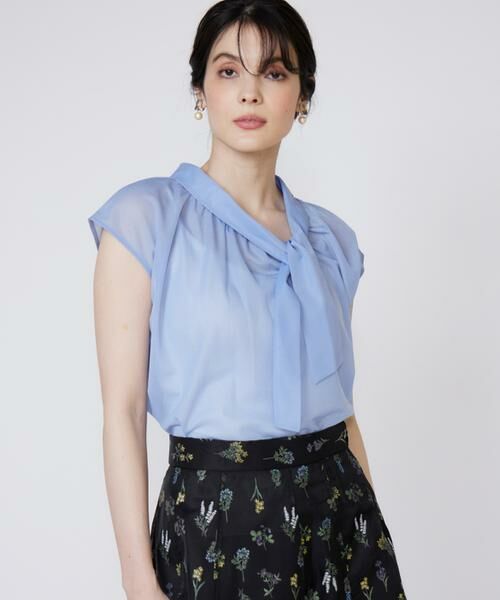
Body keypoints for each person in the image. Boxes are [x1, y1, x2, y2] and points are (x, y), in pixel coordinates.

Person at [88, 1, 407, 599]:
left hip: (341, 518)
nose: (250, 92)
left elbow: (342, 412)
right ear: (201, 89)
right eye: (229, 70)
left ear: (302, 97)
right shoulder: (144, 220)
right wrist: (137, 578)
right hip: (215, 525)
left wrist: (370, 535)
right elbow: (123, 413)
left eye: (275, 72)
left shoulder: (332, 242)